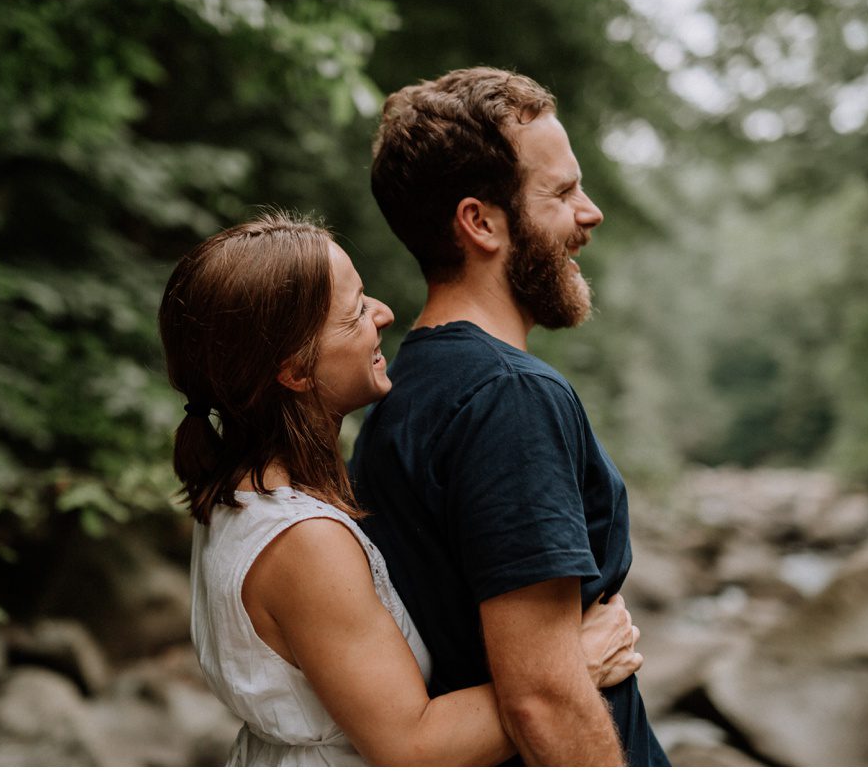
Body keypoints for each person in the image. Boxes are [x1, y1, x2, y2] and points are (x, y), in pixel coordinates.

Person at [160, 212, 644, 766]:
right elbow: (412, 748)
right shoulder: (303, 541)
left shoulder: (244, 491)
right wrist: (575, 664)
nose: (384, 313)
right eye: (356, 312)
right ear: (294, 370)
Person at [350, 67, 670, 766]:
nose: (591, 213)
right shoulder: (509, 397)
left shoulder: (402, 387)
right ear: (481, 222)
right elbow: (543, 697)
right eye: (561, 192)